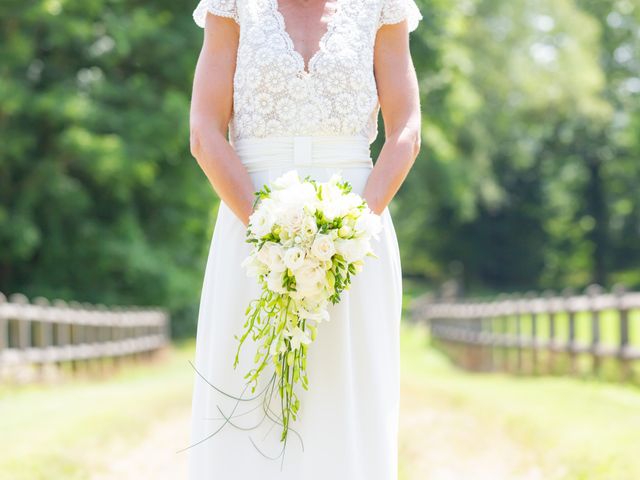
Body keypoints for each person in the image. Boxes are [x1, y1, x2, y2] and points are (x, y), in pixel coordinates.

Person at [183, 0, 422, 477]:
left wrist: (353, 228)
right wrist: (269, 234)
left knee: (347, 390)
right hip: (250, 224)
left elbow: (406, 131)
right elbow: (205, 132)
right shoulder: (232, 6)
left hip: (357, 231)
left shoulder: (382, 7)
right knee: (248, 387)